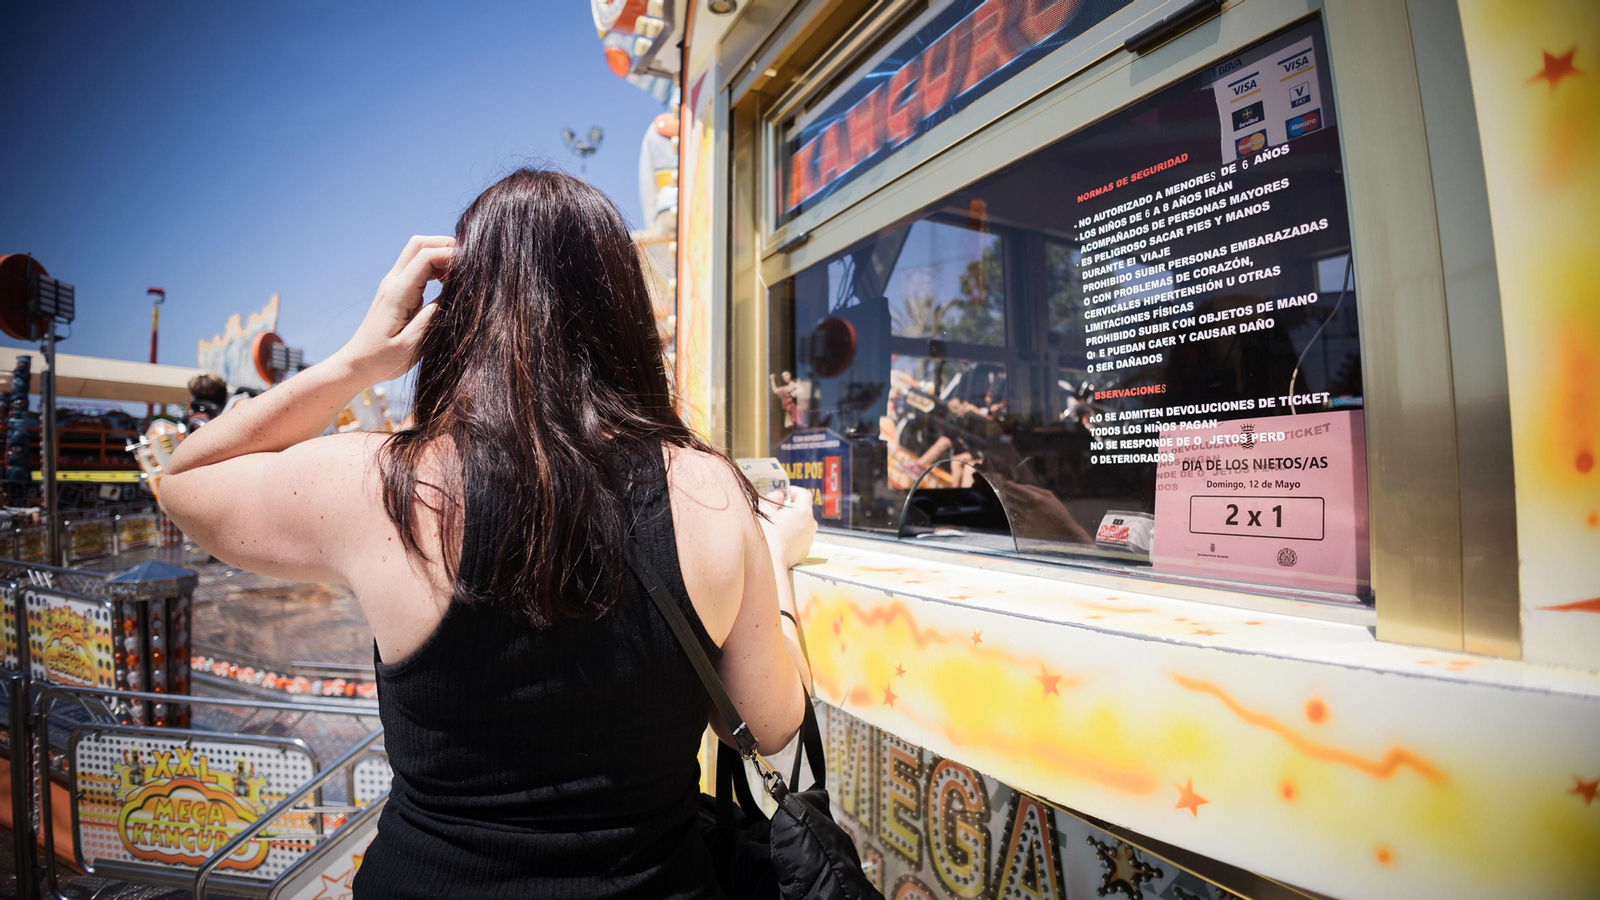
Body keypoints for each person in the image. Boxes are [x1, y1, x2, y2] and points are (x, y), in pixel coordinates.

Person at [159, 168, 816, 899]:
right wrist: (779, 567)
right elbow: (773, 721)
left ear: (461, 313)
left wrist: (358, 362)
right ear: (623, 308)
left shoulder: (385, 487)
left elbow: (185, 483)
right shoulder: (708, 490)